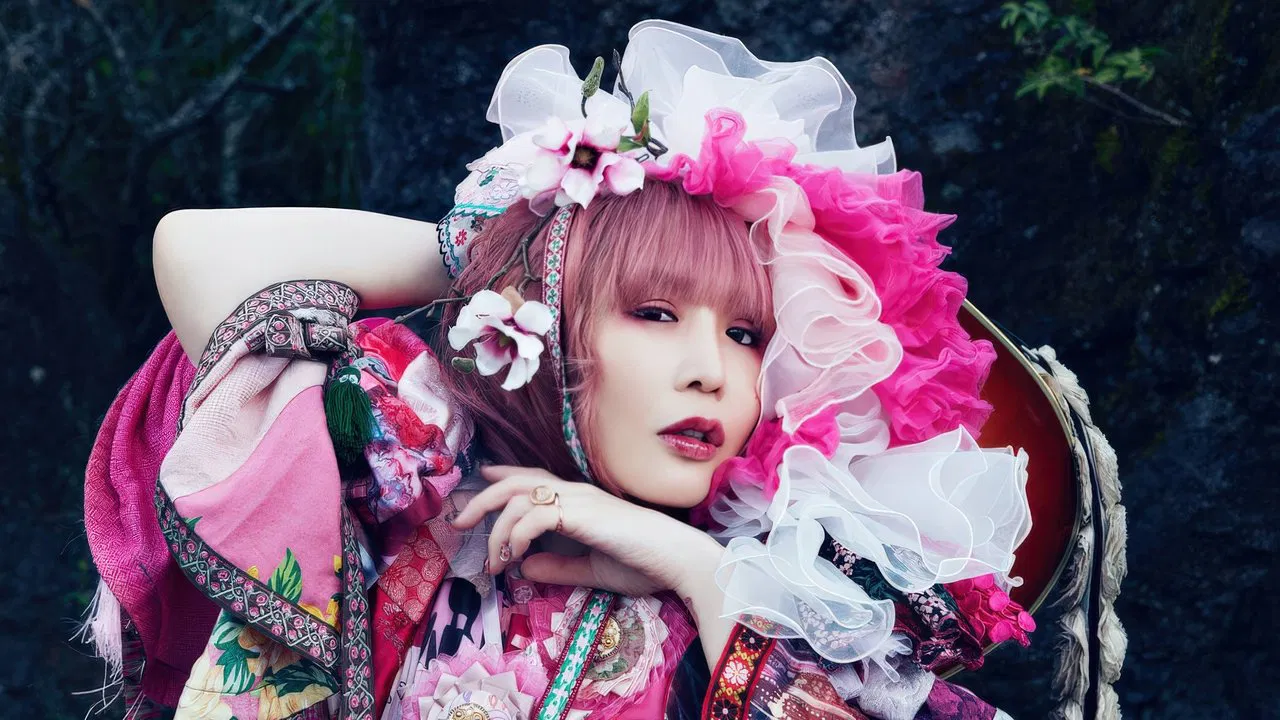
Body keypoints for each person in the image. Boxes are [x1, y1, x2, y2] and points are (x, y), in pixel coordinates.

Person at [81, 21, 1039, 720]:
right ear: (551, 325)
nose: (711, 372)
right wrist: (498, 252)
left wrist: (702, 574)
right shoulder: (422, 490)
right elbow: (199, 254)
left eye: (749, 335)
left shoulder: (810, 611)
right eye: (654, 313)